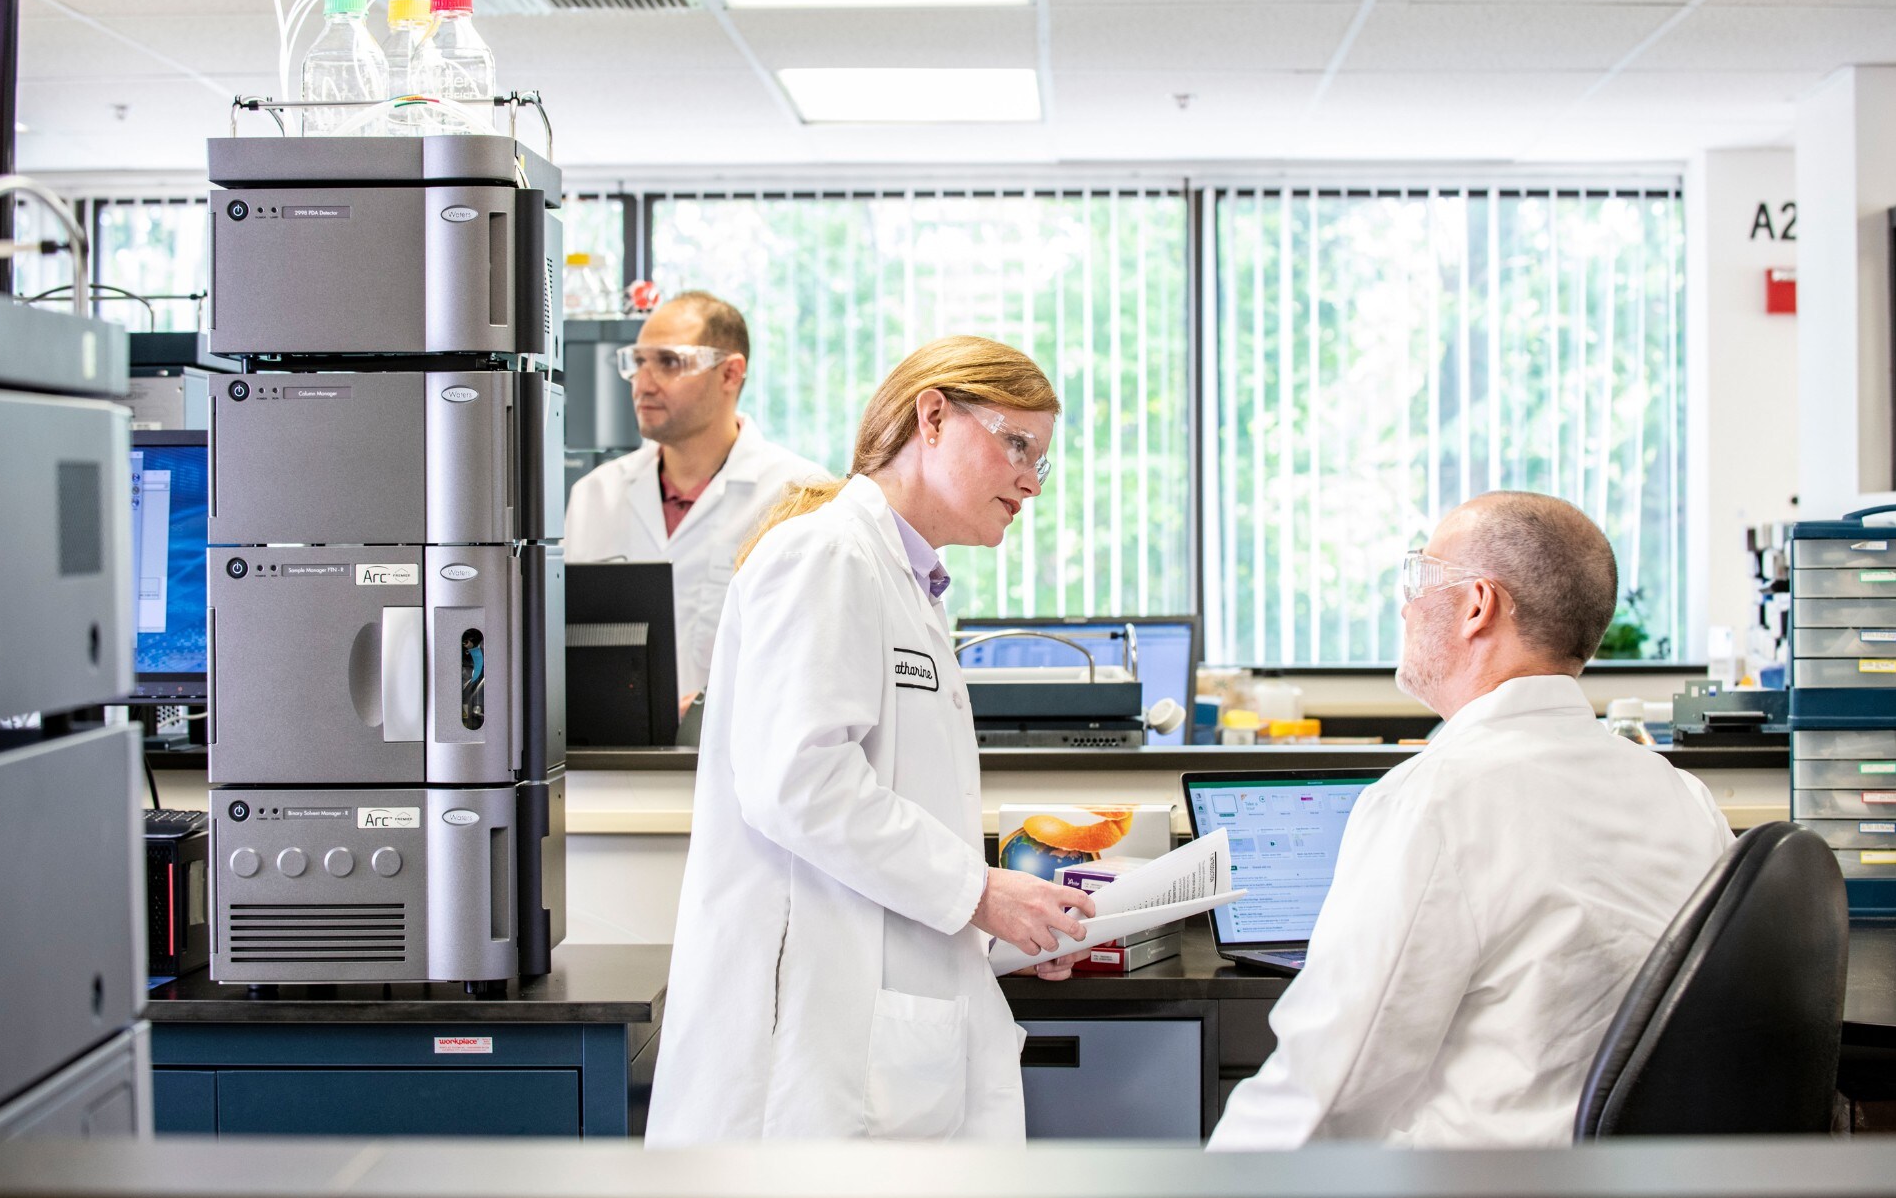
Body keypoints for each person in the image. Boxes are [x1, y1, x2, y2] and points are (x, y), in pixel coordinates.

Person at [646, 336, 1096, 1146]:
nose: (1031, 480)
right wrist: (982, 892)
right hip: (808, 1053)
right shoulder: (825, 554)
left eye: (1042, 460)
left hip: (880, 1028)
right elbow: (798, 784)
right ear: (932, 416)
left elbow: (897, 819)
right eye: (1017, 444)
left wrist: (1004, 922)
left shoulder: (908, 584)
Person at [1208, 491, 1734, 1150]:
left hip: (1479, 1191)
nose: (1405, 605)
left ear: (1477, 605)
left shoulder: (1435, 800)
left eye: (1419, 578)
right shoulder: (1681, 795)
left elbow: (1325, 1087)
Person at [564, 290, 828, 703]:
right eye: (638, 363)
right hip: (607, 758)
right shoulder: (595, 495)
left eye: (669, 362)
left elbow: (820, 650)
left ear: (729, 374)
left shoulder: (797, 495)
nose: (643, 384)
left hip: (741, 756)